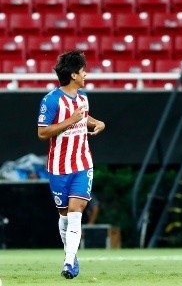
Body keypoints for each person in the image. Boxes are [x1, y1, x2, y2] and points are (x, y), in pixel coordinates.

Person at [37, 50, 105, 279]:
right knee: (64, 216)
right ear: (74, 75)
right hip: (58, 167)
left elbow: (84, 117)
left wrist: (97, 123)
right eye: (83, 70)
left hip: (82, 164)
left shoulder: (83, 97)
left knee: (76, 212)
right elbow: (42, 132)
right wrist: (70, 121)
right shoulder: (51, 100)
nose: (86, 73)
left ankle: (68, 263)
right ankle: (71, 254)